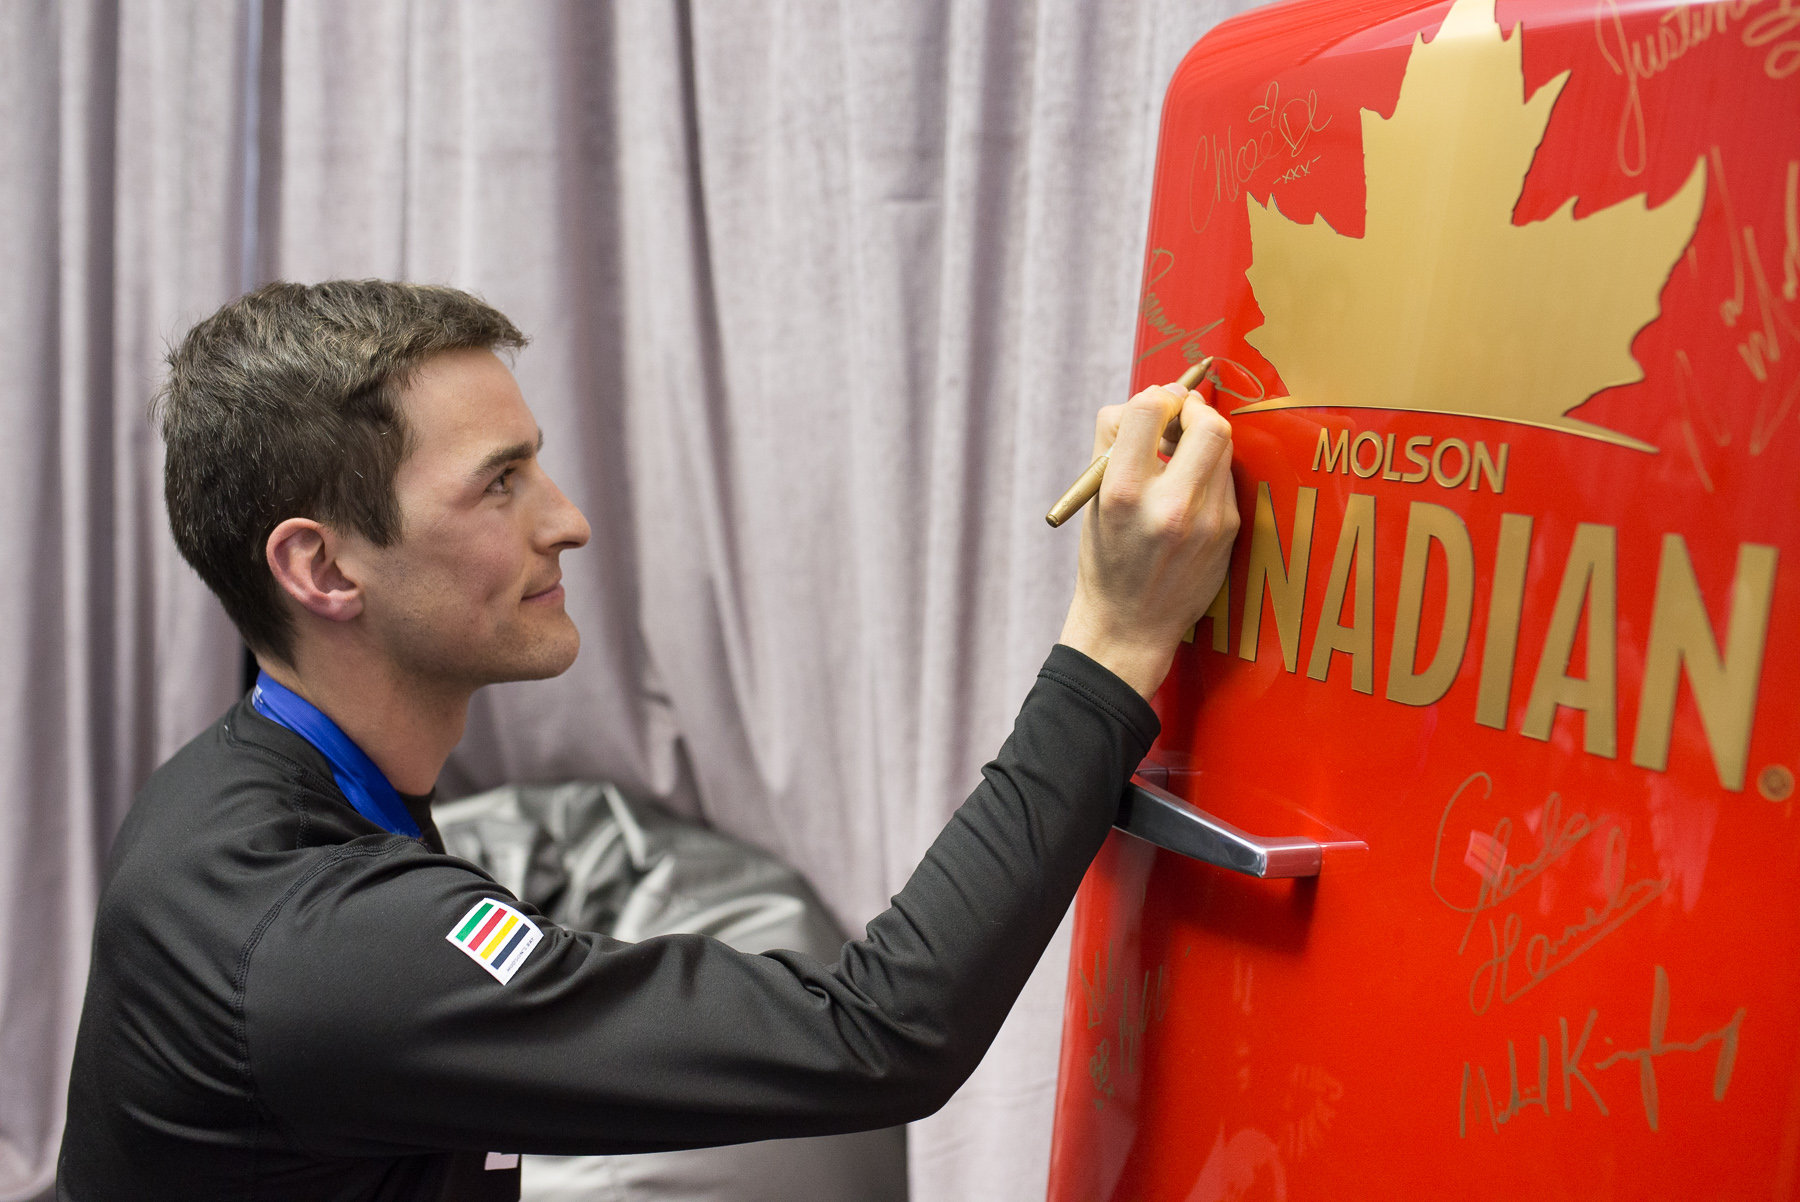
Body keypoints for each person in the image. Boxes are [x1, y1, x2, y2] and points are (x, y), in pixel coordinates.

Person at [56, 280, 1238, 1201]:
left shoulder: (234, 781)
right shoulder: (324, 949)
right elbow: (875, 1032)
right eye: (500, 484)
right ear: (322, 566)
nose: (565, 519)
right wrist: (1117, 636)